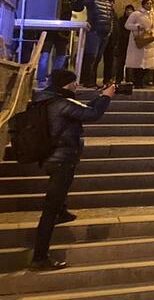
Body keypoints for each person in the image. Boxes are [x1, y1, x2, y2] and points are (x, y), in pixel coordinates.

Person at [30, 69, 116, 270]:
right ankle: (39, 258)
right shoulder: (60, 103)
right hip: (61, 160)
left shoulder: (50, 100)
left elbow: (81, 111)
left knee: (57, 198)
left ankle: (62, 211)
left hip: (55, 158)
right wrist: (105, 98)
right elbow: (91, 114)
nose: (76, 85)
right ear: (65, 84)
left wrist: (99, 96)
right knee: (49, 209)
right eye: (73, 82)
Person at [71, 0, 115, 87]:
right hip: (94, 32)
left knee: (98, 58)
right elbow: (82, 4)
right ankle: (88, 80)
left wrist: (110, 31)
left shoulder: (109, 2)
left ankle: (92, 80)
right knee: (91, 57)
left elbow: (111, 18)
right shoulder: (93, 0)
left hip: (105, 33)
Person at [124, 0, 154, 88]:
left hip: (150, 41)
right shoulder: (136, 14)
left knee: (147, 65)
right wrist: (137, 26)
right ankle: (137, 82)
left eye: (150, 3)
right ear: (143, 4)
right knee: (138, 63)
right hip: (139, 41)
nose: (149, 5)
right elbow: (127, 25)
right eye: (147, 3)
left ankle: (140, 81)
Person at [107, 4, 135, 85]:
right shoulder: (121, 20)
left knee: (131, 63)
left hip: (132, 45)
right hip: (122, 44)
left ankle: (129, 79)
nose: (129, 12)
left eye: (131, 10)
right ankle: (118, 79)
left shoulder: (135, 21)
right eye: (127, 10)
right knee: (120, 63)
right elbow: (118, 32)